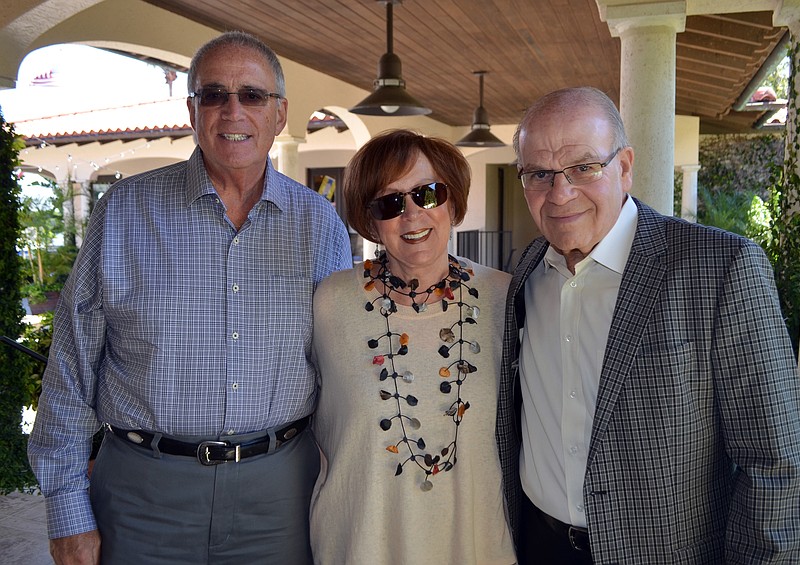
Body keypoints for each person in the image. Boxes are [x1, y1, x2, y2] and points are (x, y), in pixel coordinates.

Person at [28, 31, 351, 564]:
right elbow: (71, 366)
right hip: (141, 500)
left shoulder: (319, 224)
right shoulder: (125, 211)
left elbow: (341, 366)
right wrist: (67, 509)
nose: (232, 110)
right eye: (214, 94)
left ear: (280, 114)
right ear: (192, 110)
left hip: (279, 502)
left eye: (251, 95)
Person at [495, 87, 800, 564]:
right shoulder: (527, 272)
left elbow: (774, 462)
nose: (560, 193)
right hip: (540, 545)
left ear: (624, 167)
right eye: (540, 173)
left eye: (583, 167)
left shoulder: (721, 268)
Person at [309, 129, 516, 564]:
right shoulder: (328, 303)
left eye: (427, 194)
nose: (411, 215)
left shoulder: (505, 299)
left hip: (477, 548)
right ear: (371, 221)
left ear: (453, 201)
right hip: (362, 546)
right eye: (390, 203)